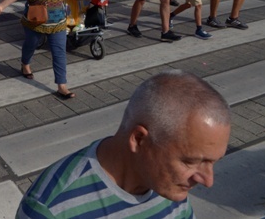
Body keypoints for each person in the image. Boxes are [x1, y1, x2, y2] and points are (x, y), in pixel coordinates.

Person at [17, 71, 231, 218]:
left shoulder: (169, 187)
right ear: (138, 139)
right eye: (191, 161)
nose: (207, 181)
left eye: (213, 162)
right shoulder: (52, 208)